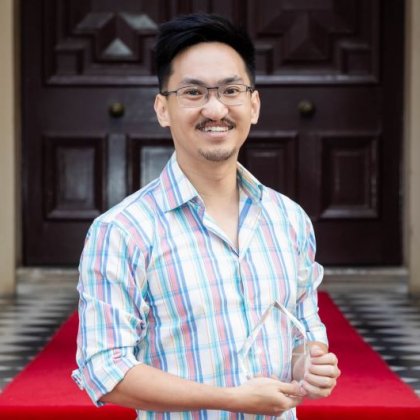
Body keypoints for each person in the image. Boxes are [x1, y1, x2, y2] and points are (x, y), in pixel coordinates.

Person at [72, 13, 340, 419]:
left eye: (231, 90)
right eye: (193, 93)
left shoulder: (289, 220)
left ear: (254, 104)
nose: (215, 108)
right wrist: (229, 398)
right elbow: (104, 371)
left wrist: (310, 365)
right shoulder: (121, 231)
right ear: (163, 108)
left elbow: (304, 331)